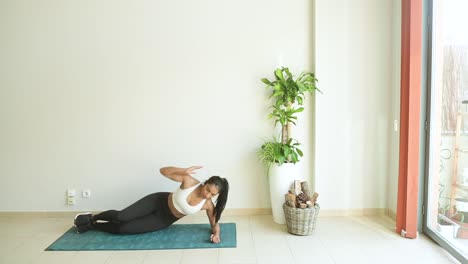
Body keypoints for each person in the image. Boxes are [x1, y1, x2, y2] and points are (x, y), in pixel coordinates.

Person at [73, 166, 229, 243]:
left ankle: (92, 226)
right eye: (208, 189)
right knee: (122, 216)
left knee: (123, 228)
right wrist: (182, 170)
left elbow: (215, 223)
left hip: (163, 220)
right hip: (157, 202)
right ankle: (92, 217)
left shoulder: (208, 205)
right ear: (205, 183)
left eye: (212, 194)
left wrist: (217, 234)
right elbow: (163, 171)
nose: (207, 194)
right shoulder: (190, 182)